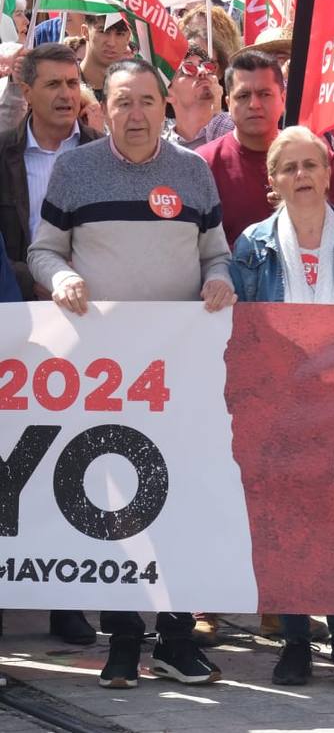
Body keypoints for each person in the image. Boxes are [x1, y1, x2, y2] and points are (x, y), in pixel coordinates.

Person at [26, 57, 235, 689]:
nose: (137, 114)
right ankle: (122, 639)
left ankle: (175, 639)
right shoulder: (75, 169)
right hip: (104, 373)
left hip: (179, 370)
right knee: (114, 502)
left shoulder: (192, 172)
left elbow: (215, 252)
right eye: (123, 102)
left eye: (148, 100)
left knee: (180, 501)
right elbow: (44, 248)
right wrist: (60, 277)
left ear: (164, 106)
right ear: (103, 107)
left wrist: (220, 281)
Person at [228, 126, 334, 686]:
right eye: (289, 168)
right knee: (287, 522)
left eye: (311, 165)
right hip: (280, 405)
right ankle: (296, 639)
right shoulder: (251, 245)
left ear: (329, 173)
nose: (302, 176)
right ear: (273, 181)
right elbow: (242, 333)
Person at [197, 50, 334, 245]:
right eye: (243, 96)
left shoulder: (318, 158)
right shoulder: (203, 165)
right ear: (228, 103)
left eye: (264, 94)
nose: (254, 104)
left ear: (283, 98)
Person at [0, 44, 101, 301]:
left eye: (72, 83)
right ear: (27, 93)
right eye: (53, 84)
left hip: (94, 303)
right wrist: (32, 280)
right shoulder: (3, 154)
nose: (66, 94)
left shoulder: (106, 153)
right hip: (19, 307)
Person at [163, 47, 229, 150]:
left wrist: (217, 113)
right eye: (188, 69)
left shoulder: (239, 131)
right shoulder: (161, 151)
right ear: (168, 94)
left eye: (206, 66)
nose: (202, 71)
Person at [79, 15, 132, 101]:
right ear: (85, 32)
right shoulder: (66, 85)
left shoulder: (134, 89)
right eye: (103, 31)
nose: (111, 43)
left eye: (120, 34)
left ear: (128, 38)